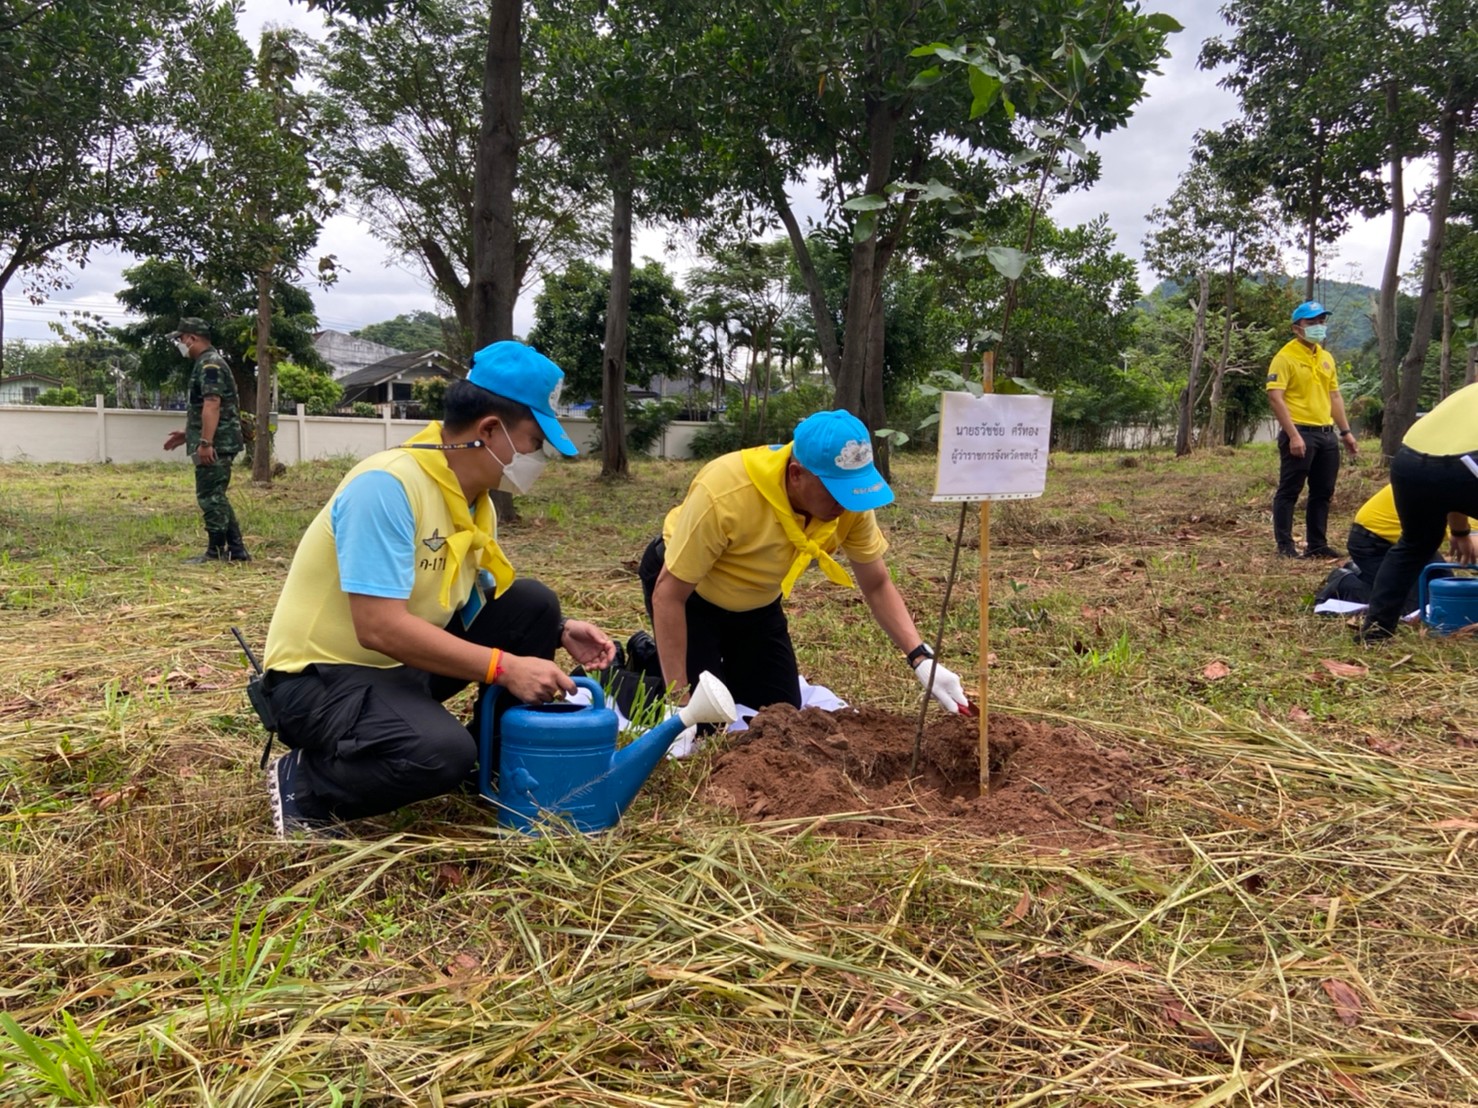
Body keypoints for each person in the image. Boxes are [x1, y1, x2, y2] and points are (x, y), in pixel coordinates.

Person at [260, 341, 616, 836]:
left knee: (534, 605)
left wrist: (557, 631)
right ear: (489, 430)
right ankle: (306, 785)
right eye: (535, 441)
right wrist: (503, 667)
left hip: (395, 670)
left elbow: (472, 598)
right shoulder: (387, 486)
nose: (540, 456)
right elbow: (378, 627)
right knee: (437, 754)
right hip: (317, 681)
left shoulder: (474, 501)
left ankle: (491, 764)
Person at [637, 408, 971, 717]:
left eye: (854, 488)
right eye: (835, 490)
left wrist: (921, 658)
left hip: (756, 602)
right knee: (705, 718)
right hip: (691, 596)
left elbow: (877, 583)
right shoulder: (725, 493)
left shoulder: (850, 504)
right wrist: (677, 702)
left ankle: (715, 667)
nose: (846, 502)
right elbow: (669, 595)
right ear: (796, 474)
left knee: (779, 713)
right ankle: (642, 666)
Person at [1360, 381, 1478, 641]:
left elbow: (1451, 458)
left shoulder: (1468, 393)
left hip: (1410, 462)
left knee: (1414, 545)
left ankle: (1375, 633)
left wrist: (1459, 530)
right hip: (1464, 465)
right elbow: (1461, 464)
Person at [1265, 301, 1358, 558]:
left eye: (1321, 321)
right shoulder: (1285, 358)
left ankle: (1317, 545)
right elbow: (1275, 397)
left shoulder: (1326, 358)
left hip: (1326, 435)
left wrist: (1345, 432)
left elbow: (1335, 397)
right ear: (1297, 328)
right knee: (1289, 490)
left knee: (1323, 492)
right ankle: (1285, 546)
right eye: (1312, 322)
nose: (1318, 326)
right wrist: (1293, 434)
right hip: (1300, 433)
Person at [162, 317, 250, 562]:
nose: (179, 343)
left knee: (209, 496)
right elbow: (206, 406)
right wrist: (189, 434)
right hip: (217, 440)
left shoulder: (210, 365)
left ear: (192, 338)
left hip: (217, 443)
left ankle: (215, 552)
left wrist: (206, 443)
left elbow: (213, 403)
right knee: (216, 495)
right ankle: (236, 550)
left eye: (180, 339)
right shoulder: (206, 362)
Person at [1342, 483, 1471, 608]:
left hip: (1418, 541)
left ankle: (1373, 578)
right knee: (1414, 606)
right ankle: (1345, 581)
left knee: (1447, 594)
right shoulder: (1467, 491)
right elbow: (1472, 545)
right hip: (1373, 540)